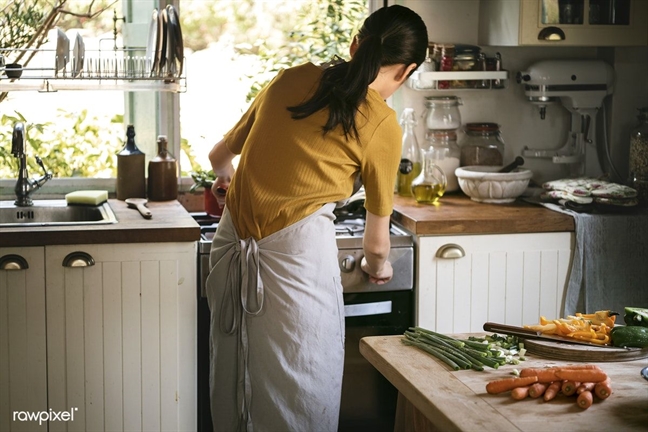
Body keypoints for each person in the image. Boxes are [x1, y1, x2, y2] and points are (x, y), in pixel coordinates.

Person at [205, 5, 428, 431]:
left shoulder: (291, 78)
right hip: (296, 265)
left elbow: (220, 157)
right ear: (406, 70)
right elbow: (378, 245)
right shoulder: (382, 124)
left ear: (355, 44)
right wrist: (376, 268)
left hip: (231, 245)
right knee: (299, 389)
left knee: (233, 381)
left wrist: (228, 180)